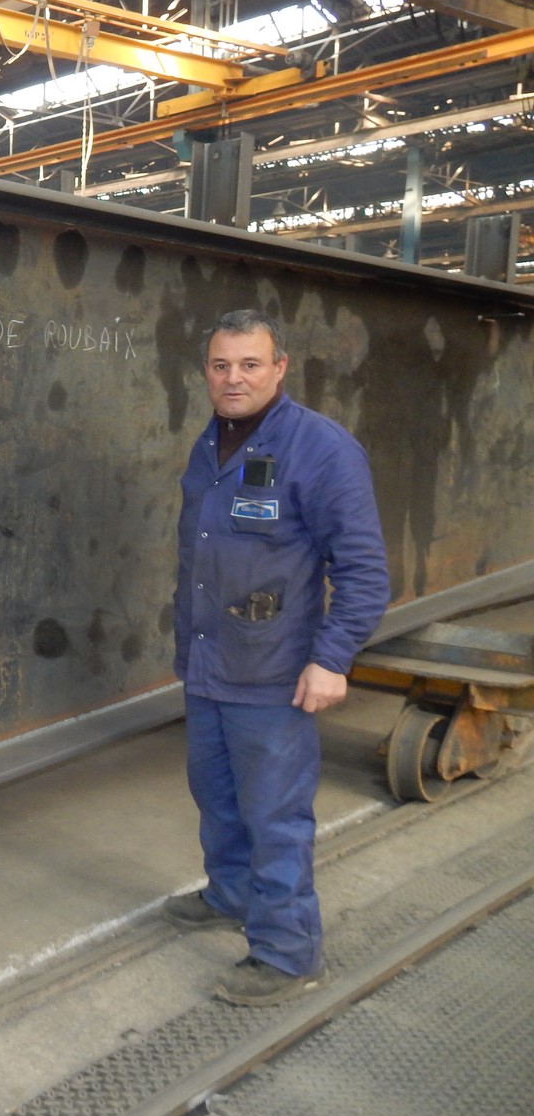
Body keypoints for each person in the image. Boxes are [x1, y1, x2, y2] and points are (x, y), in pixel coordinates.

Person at [163, 308, 389, 1006]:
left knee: (275, 815)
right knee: (217, 798)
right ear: (207, 372)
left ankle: (288, 953)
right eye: (221, 365)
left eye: (250, 364)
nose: (234, 378)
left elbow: (364, 571)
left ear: (280, 368)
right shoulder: (211, 444)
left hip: (274, 673)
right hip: (209, 663)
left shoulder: (322, 449)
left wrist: (333, 658)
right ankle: (231, 894)